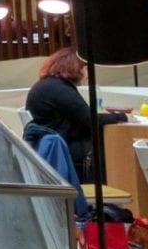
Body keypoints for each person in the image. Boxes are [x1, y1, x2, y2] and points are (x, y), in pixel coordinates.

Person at [25, 47, 127, 180]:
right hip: (66, 147)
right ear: (74, 67)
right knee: (111, 144)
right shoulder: (60, 89)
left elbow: (81, 115)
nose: (86, 72)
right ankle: (118, 182)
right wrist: (122, 117)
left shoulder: (48, 85)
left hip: (50, 143)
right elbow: (89, 119)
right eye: (84, 67)